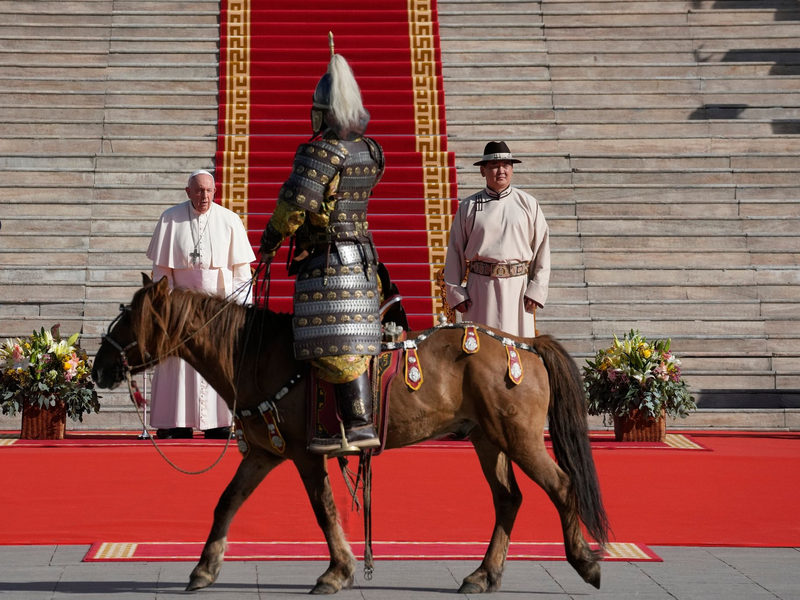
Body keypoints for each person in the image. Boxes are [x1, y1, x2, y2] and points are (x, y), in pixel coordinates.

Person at [258, 42, 385, 454]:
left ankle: (356, 423)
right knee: (347, 340)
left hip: (329, 266)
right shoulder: (371, 151)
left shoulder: (318, 151)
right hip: (364, 262)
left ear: (325, 110)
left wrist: (270, 241)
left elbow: (293, 209)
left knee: (337, 340)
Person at [145, 169, 256, 439]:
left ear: (215, 191)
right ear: (188, 192)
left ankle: (218, 424)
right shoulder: (170, 219)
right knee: (178, 365)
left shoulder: (230, 221)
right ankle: (175, 423)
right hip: (181, 307)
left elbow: (242, 276)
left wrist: (240, 314)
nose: (204, 196)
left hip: (218, 307)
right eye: (198, 190)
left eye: (208, 190)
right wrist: (166, 308)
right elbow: (161, 274)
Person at [443, 141, 550, 338]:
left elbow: (542, 250)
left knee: (519, 350)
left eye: (506, 166)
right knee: (482, 351)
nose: (501, 171)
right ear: (482, 171)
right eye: (494, 166)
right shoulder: (468, 207)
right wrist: (456, 293)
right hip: (480, 291)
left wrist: (537, 289)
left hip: (518, 290)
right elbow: (455, 251)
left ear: (512, 169)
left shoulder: (528, 204)